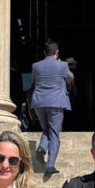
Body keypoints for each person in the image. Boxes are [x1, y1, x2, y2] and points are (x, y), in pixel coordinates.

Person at [30, 39, 74, 175]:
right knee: (54, 133)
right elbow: (70, 77)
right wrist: (61, 65)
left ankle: (42, 148)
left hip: (39, 102)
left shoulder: (35, 66)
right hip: (56, 102)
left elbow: (33, 81)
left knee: (46, 129)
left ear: (45, 52)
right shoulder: (62, 65)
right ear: (57, 52)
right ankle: (50, 165)